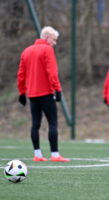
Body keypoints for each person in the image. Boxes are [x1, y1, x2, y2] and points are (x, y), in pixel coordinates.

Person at [17, 26, 70, 162]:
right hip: (46, 93)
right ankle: (55, 155)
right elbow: (52, 72)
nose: (55, 43)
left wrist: (22, 93)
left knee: (35, 124)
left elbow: (21, 75)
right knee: (52, 123)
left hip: (32, 94)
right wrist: (57, 89)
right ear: (46, 37)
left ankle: (38, 155)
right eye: (54, 39)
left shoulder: (26, 51)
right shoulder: (47, 49)